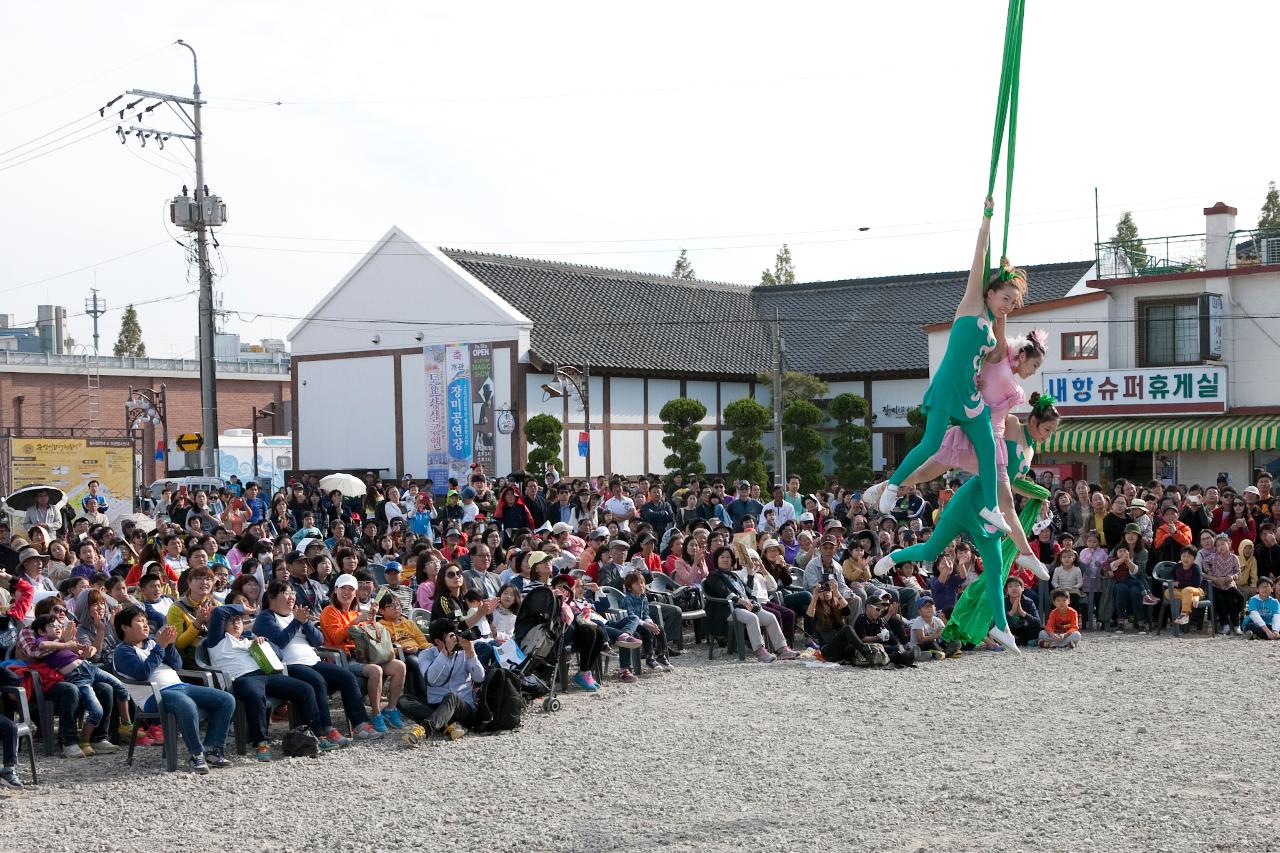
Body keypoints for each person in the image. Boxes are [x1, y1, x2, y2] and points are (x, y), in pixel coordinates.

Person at [876, 198, 1025, 536]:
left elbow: (996, 353)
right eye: (1005, 299)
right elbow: (979, 257)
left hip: (971, 395)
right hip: (948, 386)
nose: (1009, 305)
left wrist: (1002, 319)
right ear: (989, 292)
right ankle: (893, 485)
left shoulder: (990, 322)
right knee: (930, 444)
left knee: (989, 449)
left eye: (1013, 303)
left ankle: (991, 507)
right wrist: (986, 219)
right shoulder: (972, 303)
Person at [112, 606, 236, 774]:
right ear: (125, 627)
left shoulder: (152, 643)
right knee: (186, 704)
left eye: (146, 620)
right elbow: (142, 674)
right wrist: (160, 647)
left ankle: (212, 749)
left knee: (226, 699)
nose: (146, 624)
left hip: (180, 687)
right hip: (154, 696)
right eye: (140, 621)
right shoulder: (123, 651)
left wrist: (169, 645)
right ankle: (196, 754)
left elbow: (177, 666)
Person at [205, 604, 336, 760]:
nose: (235, 623)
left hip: (265, 675)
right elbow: (220, 611)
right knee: (255, 694)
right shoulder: (217, 642)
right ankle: (261, 742)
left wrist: (266, 644)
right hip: (241, 679)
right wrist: (247, 610)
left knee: (306, 689)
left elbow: (279, 655)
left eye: (239, 620)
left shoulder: (249, 639)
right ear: (223, 625)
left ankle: (316, 735)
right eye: (231, 621)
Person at [252, 580, 378, 742]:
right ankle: (326, 729)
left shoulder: (296, 614)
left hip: (312, 660)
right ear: (272, 597)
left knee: (347, 677)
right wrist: (296, 622)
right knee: (317, 681)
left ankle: (360, 724)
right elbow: (278, 643)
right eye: (286, 593)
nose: (291, 597)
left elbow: (318, 640)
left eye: (292, 593)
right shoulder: (266, 617)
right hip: (289, 665)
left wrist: (305, 624)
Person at [29, 612, 131, 756]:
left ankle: (125, 725)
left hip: (89, 667)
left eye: (59, 625)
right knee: (96, 710)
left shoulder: (64, 642)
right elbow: (43, 644)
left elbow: (88, 651)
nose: (58, 628)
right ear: (41, 631)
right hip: (78, 676)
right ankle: (83, 740)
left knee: (119, 687)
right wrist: (65, 644)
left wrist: (87, 651)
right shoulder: (44, 642)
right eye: (52, 625)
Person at [320, 573, 407, 732]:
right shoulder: (329, 611)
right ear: (335, 590)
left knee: (399, 666)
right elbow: (336, 637)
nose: (346, 592)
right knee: (376, 670)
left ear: (355, 593)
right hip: (345, 659)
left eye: (350, 589)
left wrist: (371, 620)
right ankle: (376, 713)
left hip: (365, 655)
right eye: (343, 588)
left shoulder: (355, 612)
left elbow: (369, 637)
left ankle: (391, 709)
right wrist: (356, 622)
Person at [703, 546, 798, 662]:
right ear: (717, 560)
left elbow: (746, 592)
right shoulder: (714, 576)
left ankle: (782, 649)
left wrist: (750, 576)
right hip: (725, 609)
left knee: (770, 617)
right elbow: (723, 592)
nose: (725, 559)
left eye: (728, 557)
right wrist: (741, 601)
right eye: (722, 557)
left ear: (732, 560)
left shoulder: (734, 576)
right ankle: (760, 651)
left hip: (741, 607)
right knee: (752, 618)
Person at [413, 619, 485, 740]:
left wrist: (471, 653)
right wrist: (445, 653)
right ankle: (449, 726)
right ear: (437, 641)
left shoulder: (464, 652)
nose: (455, 640)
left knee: (451, 697)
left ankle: (425, 728)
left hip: (463, 707)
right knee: (404, 700)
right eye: (450, 637)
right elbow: (430, 679)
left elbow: (480, 678)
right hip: (436, 705)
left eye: (456, 635)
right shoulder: (426, 655)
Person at [807, 578, 876, 665]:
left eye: (828, 589)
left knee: (852, 645)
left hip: (841, 648)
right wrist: (815, 596)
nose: (826, 592)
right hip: (828, 650)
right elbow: (809, 617)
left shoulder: (836, 606)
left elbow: (847, 611)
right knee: (847, 628)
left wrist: (836, 591)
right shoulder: (815, 609)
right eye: (823, 590)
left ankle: (889, 656)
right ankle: (866, 652)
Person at [620, 570, 670, 673]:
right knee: (646, 631)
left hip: (643, 622)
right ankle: (649, 658)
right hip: (631, 625)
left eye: (642, 583)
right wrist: (646, 625)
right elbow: (631, 616)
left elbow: (646, 614)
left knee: (659, 628)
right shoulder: (627, 599)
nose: (641, 586)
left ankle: (661, 654)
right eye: (637, 584)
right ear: (630, 587)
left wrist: (650, 623)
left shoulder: (644, 598)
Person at [1202, 533, 1245, 635]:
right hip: (1216, 585)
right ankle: (1225, 625)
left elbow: (1238, 572)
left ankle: (1236, 621)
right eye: (1218, 545)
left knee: (1240, 598)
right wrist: (1209, 571)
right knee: (1221, 601)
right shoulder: (1213, 557)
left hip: (1228, 584)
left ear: (1229, 543)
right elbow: (1204, 562)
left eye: (1222, 544)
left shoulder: (1234, 558)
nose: (1220, 547)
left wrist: (1232, 577)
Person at [1168, 546, 1206, 628]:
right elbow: (1171, 577)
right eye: (1184, 556)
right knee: (1168, 592)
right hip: (1181, 591)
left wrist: (1178, 584)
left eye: (1189, 556)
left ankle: (1184, 614)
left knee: (1187, 591)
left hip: (1196, 590)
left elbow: (1196, 584)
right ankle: (1192, 598)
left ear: (1194, 558)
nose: (1186, 558)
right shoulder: (1177, 566)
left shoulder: (1196, 568)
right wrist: (1172, 582)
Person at [1003, 577, 1042, 647]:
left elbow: (1037, 622)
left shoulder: (1029, 602)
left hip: (1024, 631)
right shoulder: (1003, 602)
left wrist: (1022, 612)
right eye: (1010, 586)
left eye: (1016, 585)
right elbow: (997, 621)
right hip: (1009, 631)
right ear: (1006, 591)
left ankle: (1016, 640)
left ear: (1022, 588)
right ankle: (1024, 642)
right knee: (996, 632)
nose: (1014, 588)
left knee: (1040, 630)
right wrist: (1011, 612)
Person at [1244, 576, 1280, 640]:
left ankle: (1255, 636)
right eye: (1262, 587)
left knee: (1276, 627)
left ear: (1272, 589)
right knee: (1252, 626)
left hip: (1268, 625)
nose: (1265, 589)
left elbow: (1276, 617)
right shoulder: (1253, 600)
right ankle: (1271, 636)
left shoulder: (1275, 602)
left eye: (1267, 586)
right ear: (1257, 589)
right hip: (1253, 623)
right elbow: (1255, 616)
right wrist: (1267, 631)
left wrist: (1276, 630)